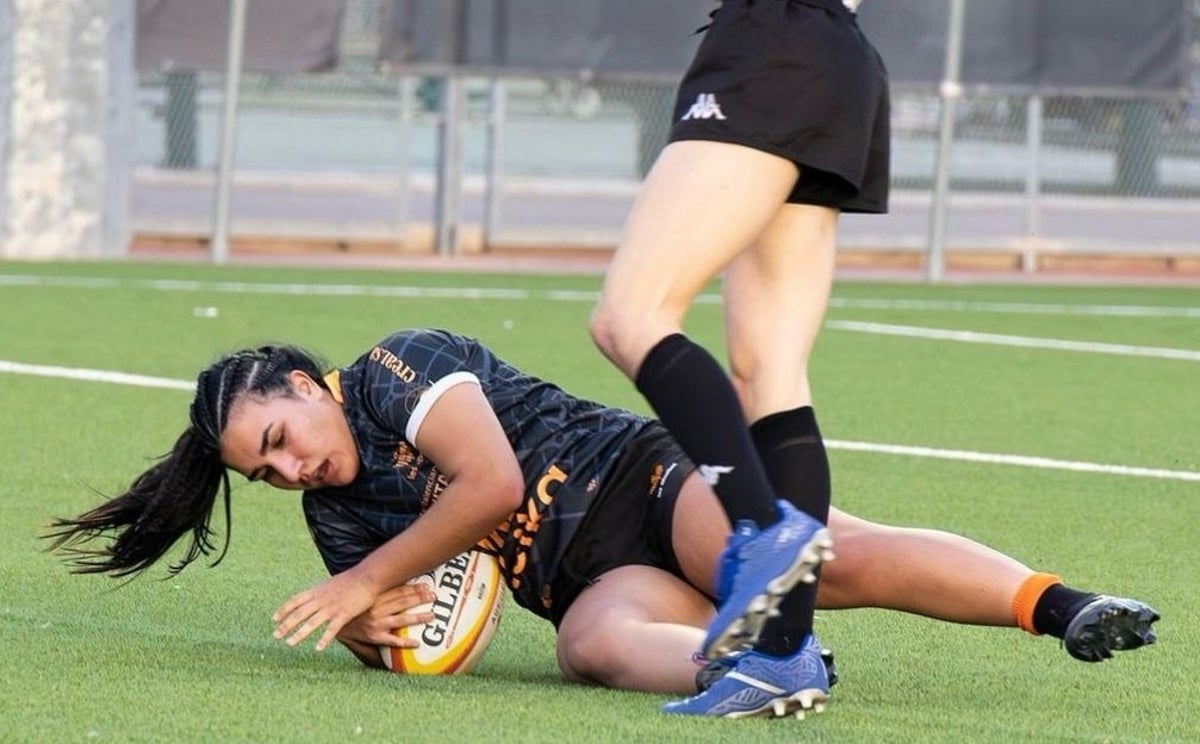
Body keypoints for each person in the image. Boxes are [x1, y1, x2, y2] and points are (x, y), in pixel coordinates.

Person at [47, 329, 1159, 720]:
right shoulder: (341, 517)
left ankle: (1060, 608)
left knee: (839, 556)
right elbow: (411, 627)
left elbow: (484, 488)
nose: (291, 471)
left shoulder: (395, 368)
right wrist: (374, 629)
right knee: (589, 648)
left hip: (643, 480)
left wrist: (360, 585)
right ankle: (780, 663)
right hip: (583, 581)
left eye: (280, 439)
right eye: (266, 473)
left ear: (304, 381)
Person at [588, 0, 901, 714]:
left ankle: (763, 528)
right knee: (769, 373)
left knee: (630, 316)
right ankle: (783, 659)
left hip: (775, 40)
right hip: (823, 43)